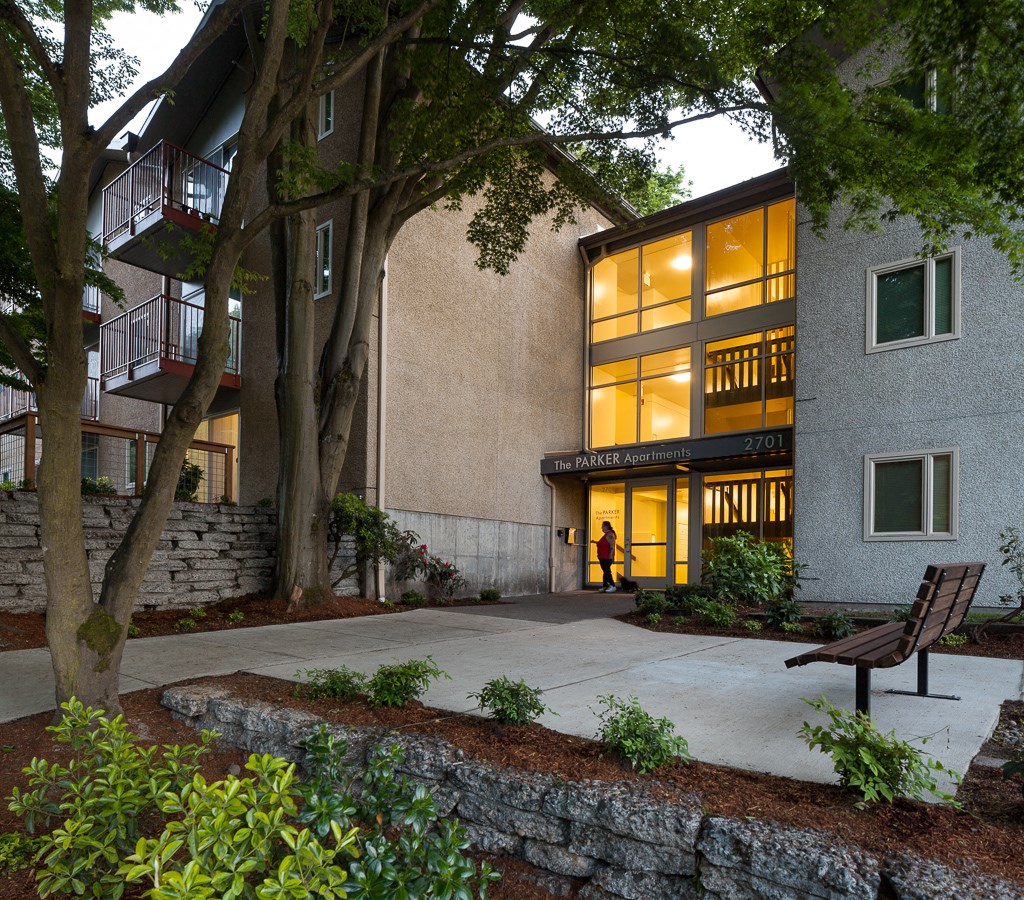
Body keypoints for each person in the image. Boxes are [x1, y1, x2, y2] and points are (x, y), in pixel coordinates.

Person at [593, 520, 617, 592]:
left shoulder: (610, 534)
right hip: (602, 556)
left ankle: (612, 585)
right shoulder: (606, 534)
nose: (602, 528)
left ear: (606, 526)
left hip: (606, 557)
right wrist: (595, 542)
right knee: (605, 571)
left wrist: (610, 556)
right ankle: (605, 586)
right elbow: (604, 544)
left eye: (603, 526)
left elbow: (612, 546)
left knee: (607, 571)